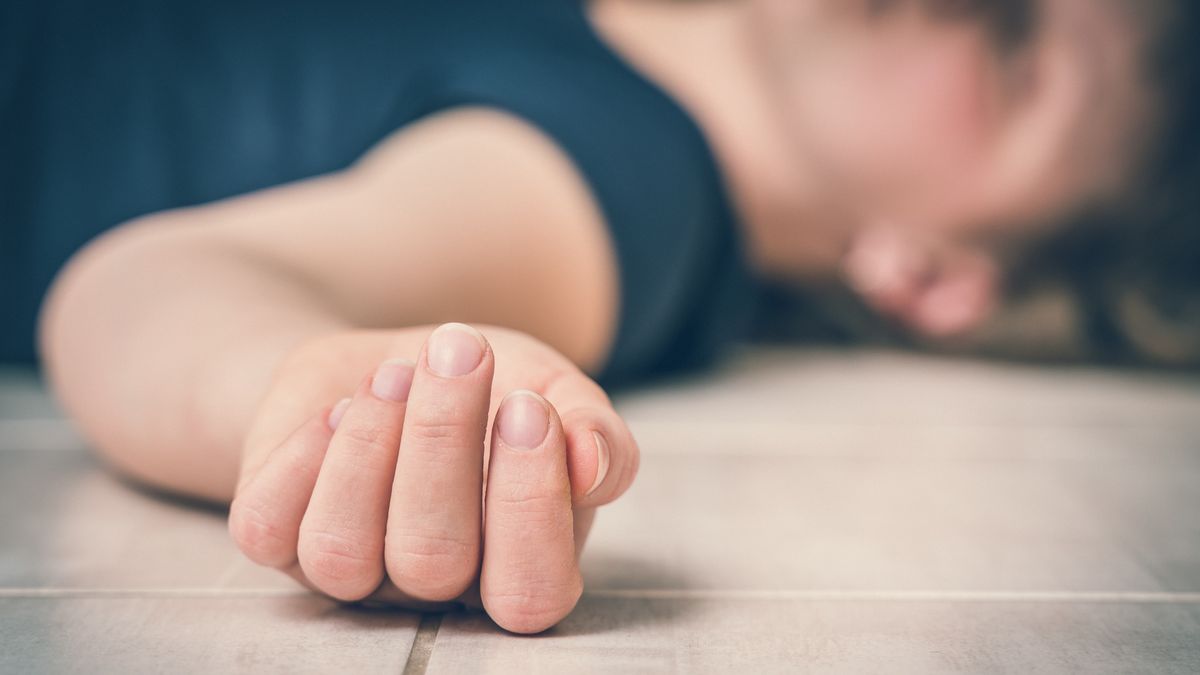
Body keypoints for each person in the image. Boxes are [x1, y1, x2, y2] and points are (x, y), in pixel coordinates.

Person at [5, 0, 1194, 633]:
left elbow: (139, 292)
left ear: (932, 278)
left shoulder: (629, 179)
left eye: (1017, 43)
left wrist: (324, 401)